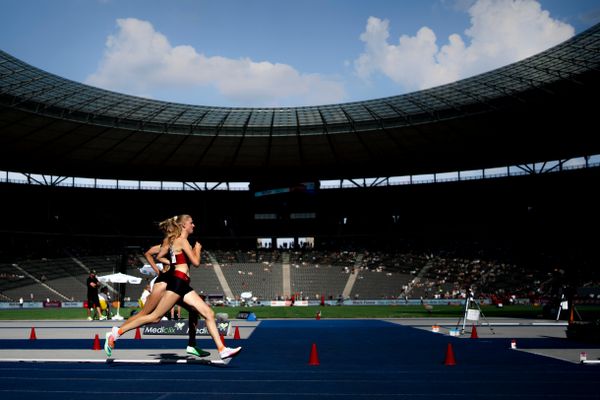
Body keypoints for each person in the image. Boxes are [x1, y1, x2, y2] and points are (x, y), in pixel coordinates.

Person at [104, 215, 239, 359]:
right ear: (183, 226)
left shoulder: (174, 240)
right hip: (178, 283)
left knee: (208, 313)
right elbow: (196, 262)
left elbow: (162, 255)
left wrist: (170, 261)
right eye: (191, 223)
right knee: (154, 317)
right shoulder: (182, 241)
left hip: (183, 284)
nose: (194, 225)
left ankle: (221, 349)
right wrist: (197, 249)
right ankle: (116, 333)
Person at [127, 237, 210, 358]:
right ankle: (116, 332)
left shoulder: (180, 246)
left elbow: (150, 254)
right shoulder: (170, 245)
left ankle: (192, 345)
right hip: (165, 282)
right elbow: (149, 253)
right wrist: (158, 270)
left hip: (175, 283)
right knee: (148, 315)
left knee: (193, 310)